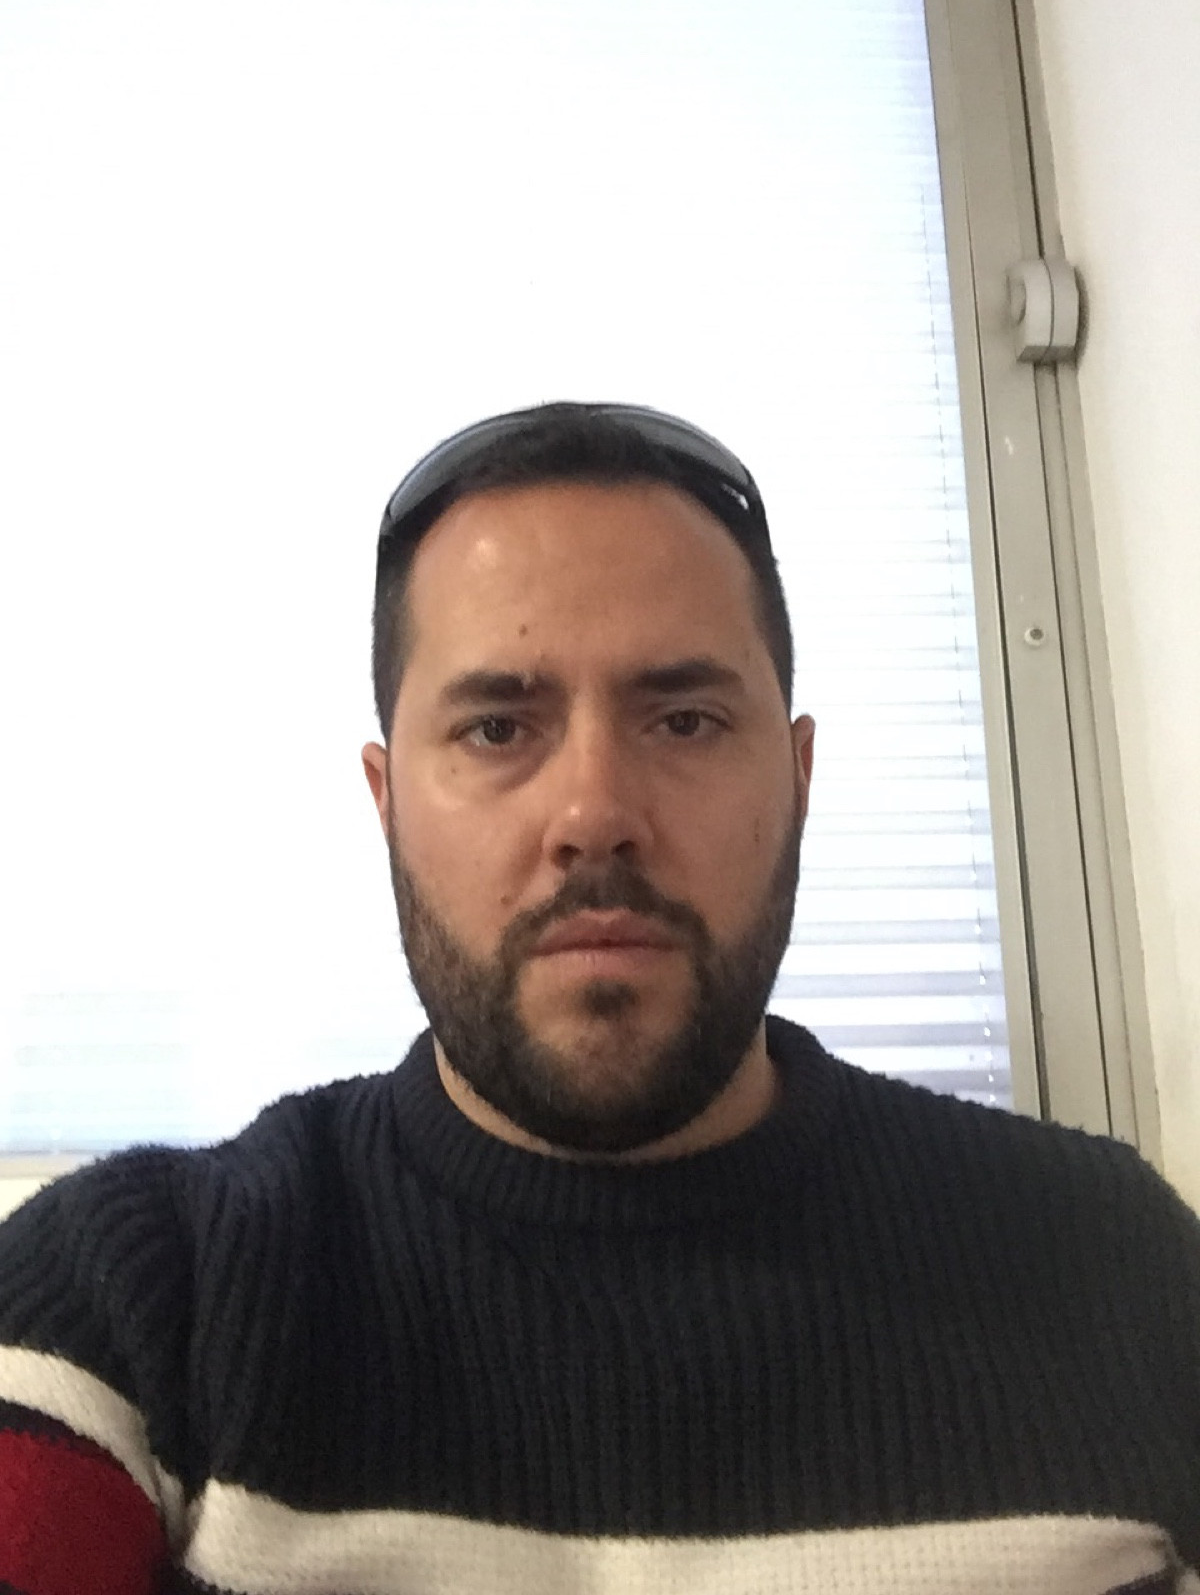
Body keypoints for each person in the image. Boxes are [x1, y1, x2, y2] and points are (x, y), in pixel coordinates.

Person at [0, 402, 1196, 1595]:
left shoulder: (1122, 1269)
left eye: (684, 719)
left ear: (797, 778)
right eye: (497, 726)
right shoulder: (131, 1304)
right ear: (387, 801)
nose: (593, 813)